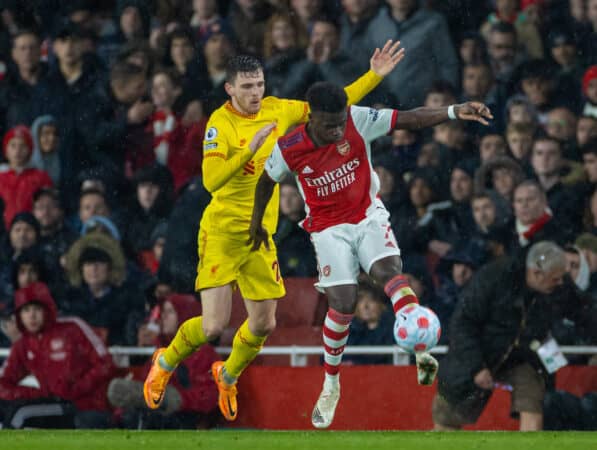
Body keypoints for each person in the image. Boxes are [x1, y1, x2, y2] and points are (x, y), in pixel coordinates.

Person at [143, 44, 405, 421]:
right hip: (223, 231)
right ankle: (165, 362)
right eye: (247, 87)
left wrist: (375, 75)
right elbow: (211, 180)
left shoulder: (278, 109)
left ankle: (228, 374)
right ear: (229, 89)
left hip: (260, 234)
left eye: (259, 85)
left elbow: (334, 104)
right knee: (215, 325)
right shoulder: (221, 124)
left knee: (265, 323)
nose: (255, 93)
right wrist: (248, 150)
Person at [247, 81, 492, 428]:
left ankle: (421, 350)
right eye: (330, 124)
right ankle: (331, 384)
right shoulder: (288, 148)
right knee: (344, 302)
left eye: (340, 122)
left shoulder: (356, 119)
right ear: (311, 117)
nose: (337, 130)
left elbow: (409, 118)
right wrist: (257, 225)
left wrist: (454, 111)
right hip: (328, 229)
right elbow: (265, 182)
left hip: (366, 215)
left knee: (388, 269)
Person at [432, 241, 597, 431]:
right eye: (555, 279)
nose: (561, 283)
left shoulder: (559, 286)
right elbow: (462, 323)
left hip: (524, 358)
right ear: (536, 273)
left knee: (533, 404)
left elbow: (588, 313)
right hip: (480, 352)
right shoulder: (494, 277)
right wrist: (476, 366)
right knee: (446, 421)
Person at [0, 282, 116, 429]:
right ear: (19, 316)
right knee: (13, 411)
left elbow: (105, 364)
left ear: (47, 310)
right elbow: (3, 382)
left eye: (37, 309)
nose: (32, 315)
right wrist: (34, 393)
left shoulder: (72, 328)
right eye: (26, 310)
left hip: (86, 406)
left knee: (20, 414)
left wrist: (76, 388)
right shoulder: (24, 344)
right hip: (53, 404)